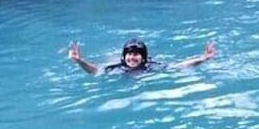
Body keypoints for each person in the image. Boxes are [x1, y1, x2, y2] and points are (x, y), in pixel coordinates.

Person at [68, 38, 216, 75]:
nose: (132, 58)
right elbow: (95, 71)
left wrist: (202, 59)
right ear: (124, 57)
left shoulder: (151, 67)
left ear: (143, 58)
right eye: (130, 54)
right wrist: (79, 61)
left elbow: (179, 66)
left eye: (137, 55)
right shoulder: (118, 68)